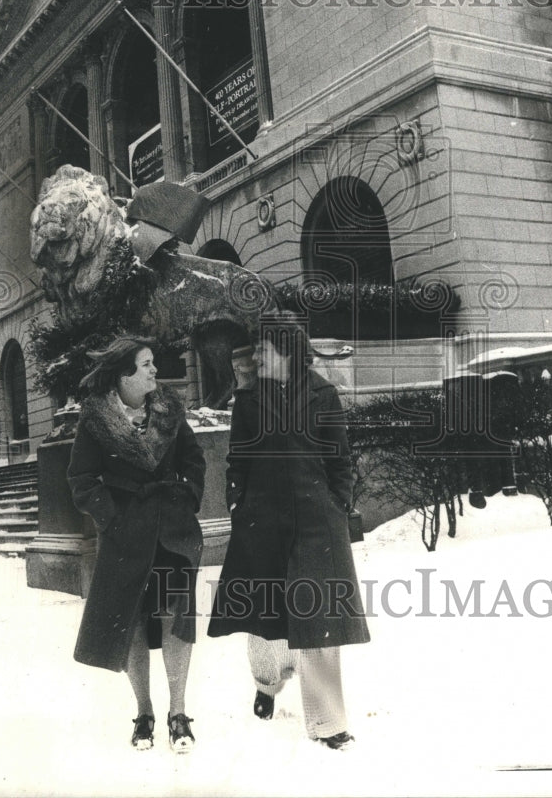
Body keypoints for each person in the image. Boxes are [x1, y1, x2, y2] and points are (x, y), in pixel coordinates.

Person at [208, 314, 370, 750]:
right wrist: (237, 502)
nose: (257, 355)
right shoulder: (248, 401)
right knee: (264, 619)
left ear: (288, 354)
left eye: (265, 349)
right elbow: (236, 462)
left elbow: (340, 460)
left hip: (316, 520)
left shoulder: (322, 394)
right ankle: (267, 682)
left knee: (319, 622)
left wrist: (339, 504)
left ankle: (328, 723)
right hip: (261, 521)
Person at [67, 335, 206, 753]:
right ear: (125, 374)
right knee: (130, 620)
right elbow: (80, 479)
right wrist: (112, 519)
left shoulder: (168, 410)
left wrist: (187, 497)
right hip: (125, 537)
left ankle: (178, 713)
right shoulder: (95, 419)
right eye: (146, 364)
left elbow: (194, 460)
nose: (154, 371)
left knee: (175, 617)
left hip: (171, 531)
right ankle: (144, 712)